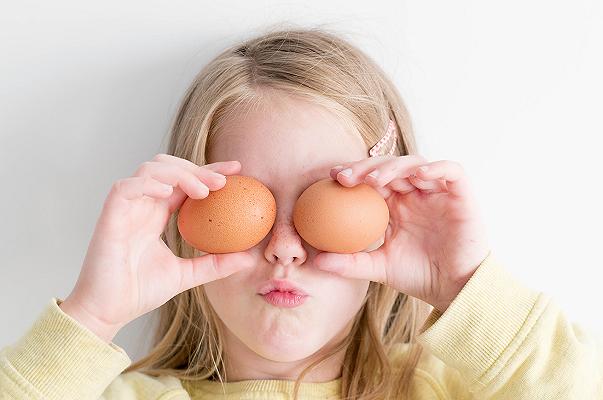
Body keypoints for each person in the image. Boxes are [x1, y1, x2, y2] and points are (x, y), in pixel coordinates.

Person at [1, 27, 602, 400]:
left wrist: (466, 288)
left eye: (327, 201)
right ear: (185, 218)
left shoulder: (457, 389)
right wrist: (93, 316)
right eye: (249, 206)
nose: (285, 247)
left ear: (387, 216)